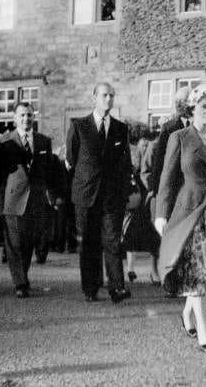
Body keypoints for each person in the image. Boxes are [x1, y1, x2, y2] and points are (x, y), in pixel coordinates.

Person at [155, 84, 206, 353]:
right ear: (193, 109)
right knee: (197, 269)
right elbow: (167, 177)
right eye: (204, 107)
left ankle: (187, 315)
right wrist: (161, 213)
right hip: (190, 211)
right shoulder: (180, 137)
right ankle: (204, 334)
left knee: (205, 271)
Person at [66, 82, 132, 303]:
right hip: (86, 195)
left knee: (113, 240)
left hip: (112, 196)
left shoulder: (121, 129)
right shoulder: (79, 126)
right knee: (88, 242)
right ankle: (91, 287)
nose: (108, 100)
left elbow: (125, 163)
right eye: (104, 95)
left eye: (112, 96)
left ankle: (117, 287)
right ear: (94, 97)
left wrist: (124, 192)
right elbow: (73, 160)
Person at [0, 103, 60, 298]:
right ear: (14, 118)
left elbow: (50, 171)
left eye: (29, 115)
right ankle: (20, 283)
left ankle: (22, 277)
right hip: (13, 198)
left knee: (28, 241)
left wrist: (54, 194)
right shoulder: (4, 141)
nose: (26, 119)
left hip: (36, 199)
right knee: (15, 242)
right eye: (22, 115)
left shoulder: (44, 141)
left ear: (33, 118)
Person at [123, 122, 160, 285]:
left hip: (149, 195)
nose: (145, 144)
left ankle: (154, 271)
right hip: (136, 194)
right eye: (142, 141)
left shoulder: (153, 149)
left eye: (147, 141)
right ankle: (130, 268)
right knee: (131, 234)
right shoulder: (131, 153)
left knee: (154, 235)